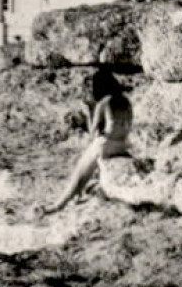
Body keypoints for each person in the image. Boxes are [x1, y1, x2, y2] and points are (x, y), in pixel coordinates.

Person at [39, 68, 134, 216]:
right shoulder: (126, 102)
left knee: (81, 169)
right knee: (92, 165)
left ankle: (59, 205)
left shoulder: (104, 103)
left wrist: (89, 111)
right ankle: (81, 192)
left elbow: (93, 132)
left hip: (106, 144)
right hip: (124, 144)